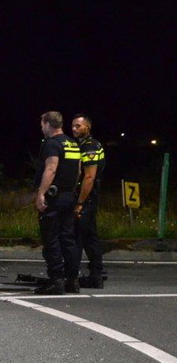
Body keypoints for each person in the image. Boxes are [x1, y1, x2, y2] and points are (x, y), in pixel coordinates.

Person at [34, 111, 82, 295]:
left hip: (54, 198)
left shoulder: (52, 144)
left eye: (42, 124)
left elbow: (51, 168)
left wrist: (41, 194)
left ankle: (56, 280)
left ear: (47, 124)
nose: (41, 128)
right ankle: (72, 280)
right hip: (69, 196)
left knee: (51, 238)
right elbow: (78, 171)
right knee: (67, 238)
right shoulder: (72, 144)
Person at [72, 114, 105, 288]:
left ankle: (72, 277)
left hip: (87, 198)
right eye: (73, 126)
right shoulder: (84, 145)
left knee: (77, 237)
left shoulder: (89, 146)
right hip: (89, 198)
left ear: (88, 127)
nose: (75, 129)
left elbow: (89, 177)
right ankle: (96, 276)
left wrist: (79, 203)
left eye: (78, 126)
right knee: (90, 237)